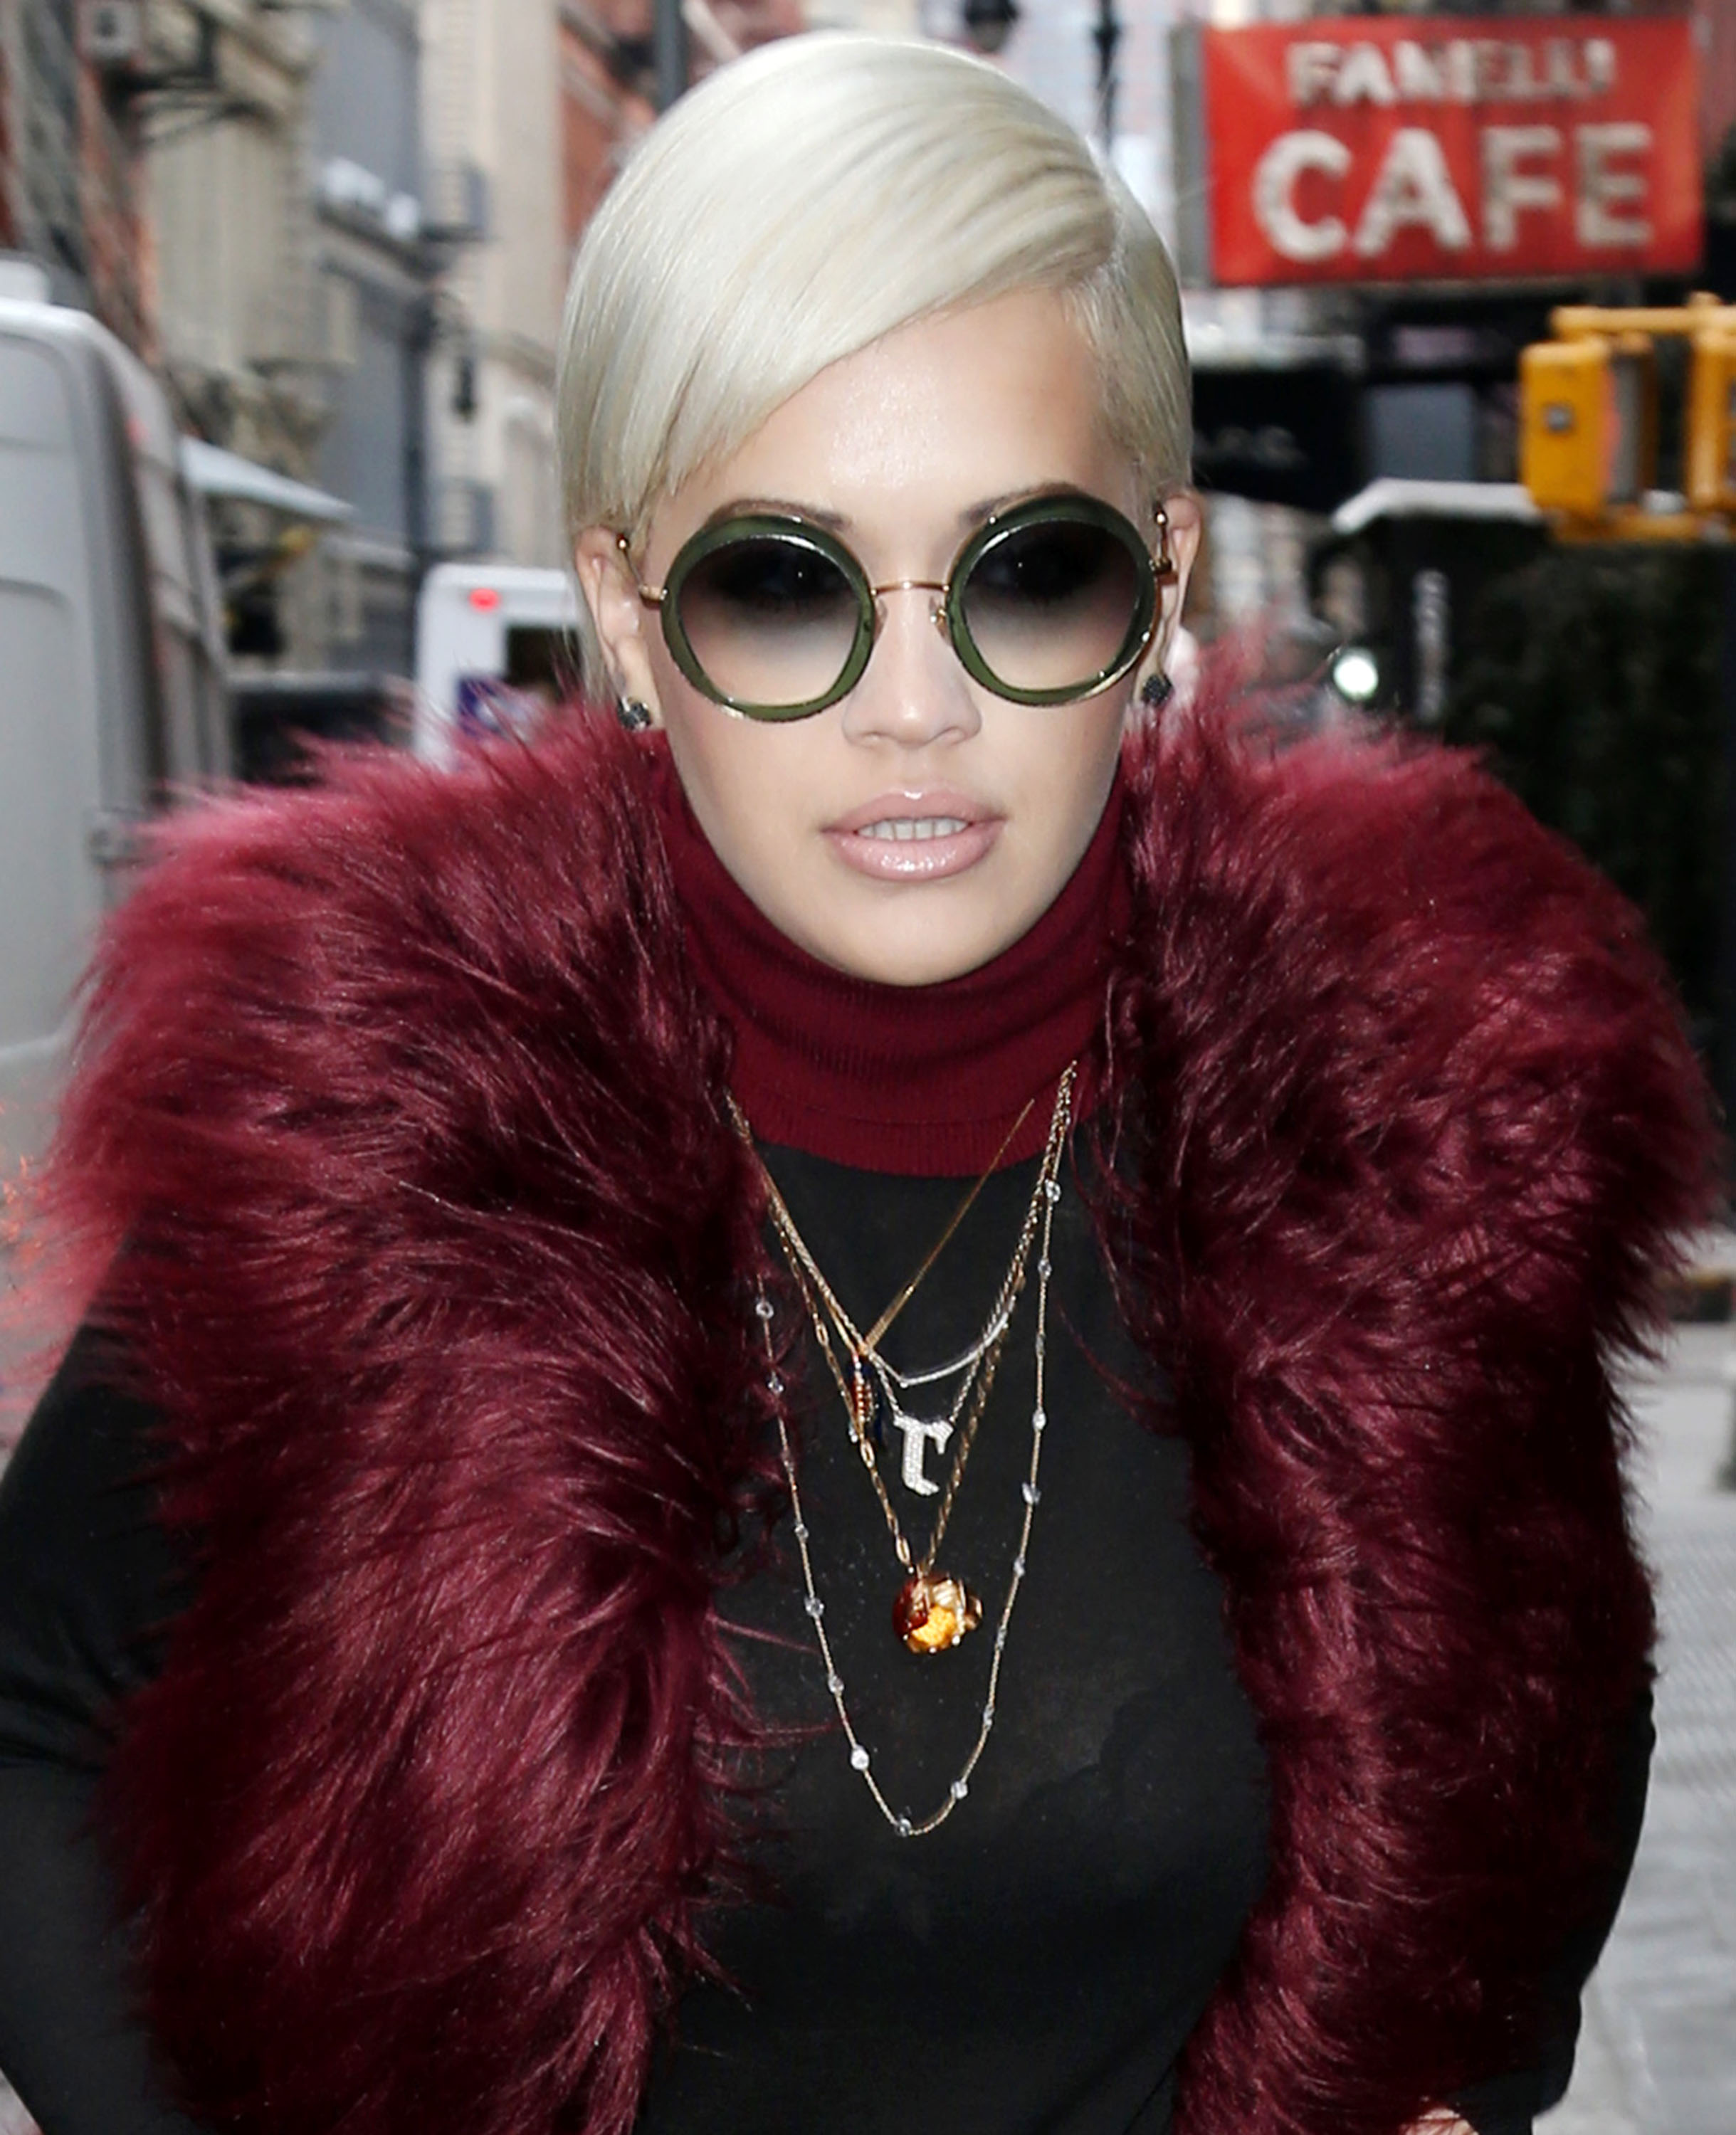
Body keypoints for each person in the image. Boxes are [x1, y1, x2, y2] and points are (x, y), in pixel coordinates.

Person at [0, 33, 1713, 2135]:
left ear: (1163, 580)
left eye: (1030, 569)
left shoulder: (1408, 1146)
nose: (916, 708)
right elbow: (31, 1710)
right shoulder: (375, 1147)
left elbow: (1561, 1692)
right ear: (630, 615)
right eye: (782, 583)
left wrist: (1464, 2091)